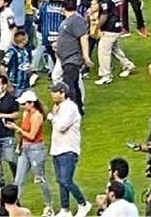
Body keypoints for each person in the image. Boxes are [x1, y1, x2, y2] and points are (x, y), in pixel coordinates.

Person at [49, 81, 91, 217]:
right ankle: (65, 209)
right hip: (57, 149)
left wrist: (52, 116)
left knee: (66, 180)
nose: (52, 94)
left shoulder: (70, 107)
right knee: (60, 180)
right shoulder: (58, 107)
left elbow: (62, 126)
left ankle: (83, 203)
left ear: (63, 93)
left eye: (54, 92)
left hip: (68, 149)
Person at [7, 90, 53, 211]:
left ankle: (49, 205)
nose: (22, 106)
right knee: (18, 179)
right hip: (25, 149)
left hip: (36, 150)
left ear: (31, 103)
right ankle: (14, 205)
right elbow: (24, 133)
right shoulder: (26, 114)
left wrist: (16, 128)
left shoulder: (37, 116)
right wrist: (19, 145)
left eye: (24, 104)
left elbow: (32, 135)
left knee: (40, 178)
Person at [54, 0, 91, 114]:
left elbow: (83, 37)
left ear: (63, 8)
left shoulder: (76, 20)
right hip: (66, 58)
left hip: (72, 58)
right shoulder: (69, 20)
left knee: (68, 85)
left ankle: (71, 111)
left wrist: (86, 56)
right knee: (74, 84)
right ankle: (78, 109)